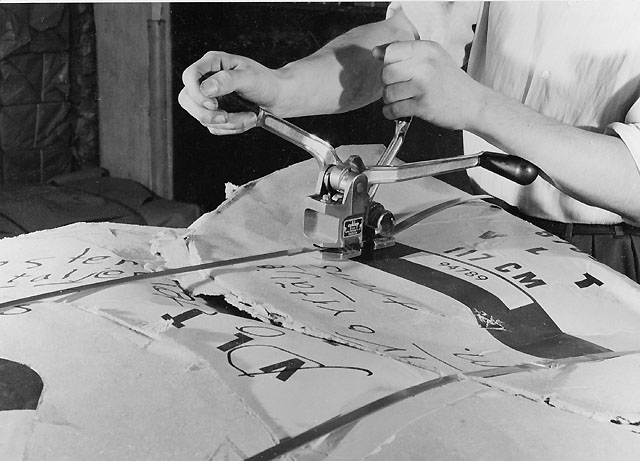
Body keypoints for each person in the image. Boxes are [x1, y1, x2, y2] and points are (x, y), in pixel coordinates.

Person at [179, 1, 640, 283]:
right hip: (490, 221)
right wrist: (280, 87)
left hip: (614, 255)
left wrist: (476, 106)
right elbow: (404, 37)